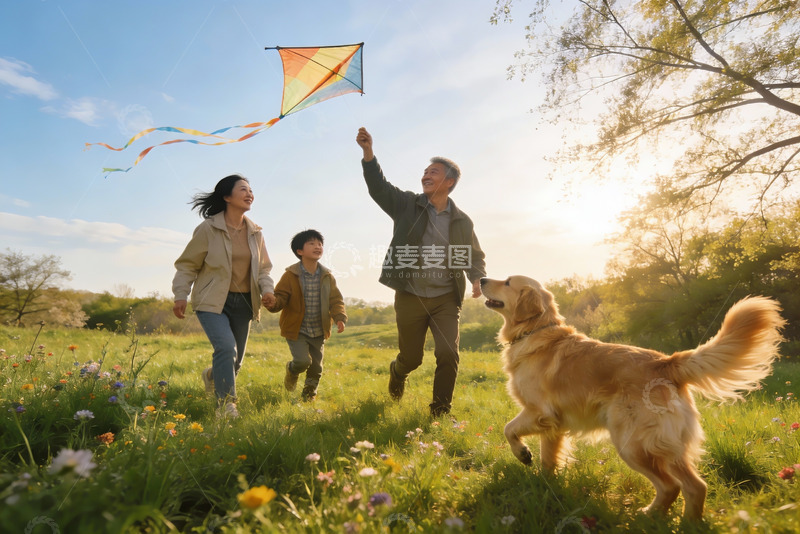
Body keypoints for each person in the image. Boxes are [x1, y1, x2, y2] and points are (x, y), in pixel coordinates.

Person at [355, 127, 487, 417]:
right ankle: (398, 371)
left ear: (449, 182)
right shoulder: (407, 205)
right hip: (411, 295)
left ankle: (440, 411)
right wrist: (368, 154)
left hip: (445, 299)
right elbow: (379, 188)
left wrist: (477, 278)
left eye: (434, 172)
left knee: (448, 353)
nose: (426, 175)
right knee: (411, 358)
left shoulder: (462, 220)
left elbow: (473, 255)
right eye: (425, 171)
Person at [172, 174, 275, 418]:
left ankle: (211, 375)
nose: (250, 194)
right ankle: (226, 405)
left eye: (251, 190)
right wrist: (180, 294)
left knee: (235, 361)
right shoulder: (209, 228)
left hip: (245, 302)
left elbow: (263, 269)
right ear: (227, 197)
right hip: (212, 301)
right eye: (243, 190)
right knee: (226, 348)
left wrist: (268, 290)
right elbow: (187, 265)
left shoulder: (255, 232)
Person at [268, 229, 347, 402]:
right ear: (300, 251)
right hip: (297, 329)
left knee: (316, 367)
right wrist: (273, 303)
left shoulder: (327, 276)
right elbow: (280, 297)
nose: (317, 246)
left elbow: (336, 299)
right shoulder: (290, 275)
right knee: (303, 361)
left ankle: (308, 396)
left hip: (319, 329)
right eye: (311, 243)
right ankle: (292, 369)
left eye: (320, 244)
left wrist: (340, 317)